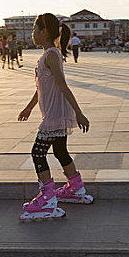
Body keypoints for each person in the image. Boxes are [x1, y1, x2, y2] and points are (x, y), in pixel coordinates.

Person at [17, 13, 92, 221]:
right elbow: (40, 88)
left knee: (37, 153)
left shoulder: (51, 54)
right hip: (55, 112)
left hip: (56, 114)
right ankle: (76, 188)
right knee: (60, 150)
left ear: (44, 32)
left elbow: (62, 85)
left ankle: (48, 198)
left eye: (34, 30)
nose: (33, 34)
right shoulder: (48, 55)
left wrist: (79, 113)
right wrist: (29, 107)